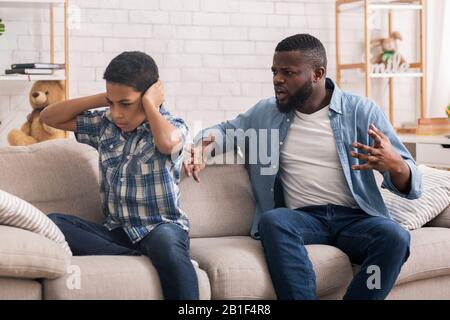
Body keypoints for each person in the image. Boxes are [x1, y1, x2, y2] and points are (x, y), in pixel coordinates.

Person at [184, 34, 422, 300]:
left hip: (356, 219)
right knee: (273, 221)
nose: (277, 79)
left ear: (318, 74)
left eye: (288, 72)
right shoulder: (266, 112)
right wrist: (202, 146)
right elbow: (226, 131)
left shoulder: (362, 112)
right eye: (275, 71)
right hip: (302, 219)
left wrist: (396, 166)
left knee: (396, 238)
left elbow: (413, 187)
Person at [40, 51, 198, 300]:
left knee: (166, 245)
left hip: (160, 229)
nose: (116, 114)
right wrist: (104, 98)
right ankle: (139, 257)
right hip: (117, 231)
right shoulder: (105, 126)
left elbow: (168, 144)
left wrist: (149, 105)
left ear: (149, 97)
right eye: (111, 104)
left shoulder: (172, 126)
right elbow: (48, 117)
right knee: (53, 223)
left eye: (126, 104)